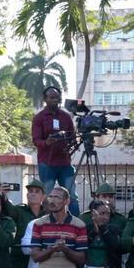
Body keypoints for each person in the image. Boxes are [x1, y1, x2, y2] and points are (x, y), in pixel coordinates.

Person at [32, 86, 79, 214]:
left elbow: (72, 137)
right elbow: (36, 140)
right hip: (47, 164)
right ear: (45, 99)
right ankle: (47, 224)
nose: (55, 100)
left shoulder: (66, 117)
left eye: (57, 98)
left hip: (65, 163)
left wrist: (70, 143)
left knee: (72, 196)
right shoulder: (39, 118)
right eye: (51, 97)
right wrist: (47, 142)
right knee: (48, 197)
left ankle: (75, 225)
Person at [28, 186, 87, 268]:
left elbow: (81, 259)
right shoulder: (39, 224)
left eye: (57, 197)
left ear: (66, 201)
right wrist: (52, 249)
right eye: (50, 197)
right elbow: (35, 257)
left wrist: (65, 249)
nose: (52, 201)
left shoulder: (79, 225)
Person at [9, 180, 47, 268]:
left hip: (39, 260)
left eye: (37, 191)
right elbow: (8, 210)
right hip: (19, 260)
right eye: (31, 191)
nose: (33, 194)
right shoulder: (19, 211)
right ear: (27, 195)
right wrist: (3, 195)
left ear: (43, 196)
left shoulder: (48, 215)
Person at [82, 199, 124, 268]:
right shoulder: (86, 228)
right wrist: (94, 232)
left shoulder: (113, 229)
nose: (105, 217)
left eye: (107, 214)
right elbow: (83, 247)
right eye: (101, 213)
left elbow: (114, 246)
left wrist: (101, 226)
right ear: (93, 214)